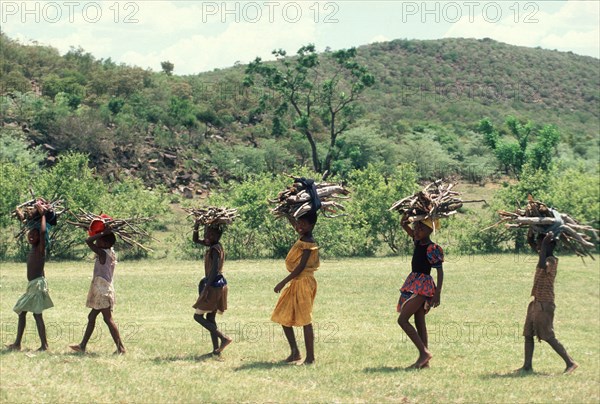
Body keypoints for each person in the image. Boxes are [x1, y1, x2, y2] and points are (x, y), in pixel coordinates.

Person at [516, 231, 578, 374]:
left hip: (545, 304)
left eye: (541, 244)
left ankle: (570, 362)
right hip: (536, 303)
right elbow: (537, 250)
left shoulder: (552, 260)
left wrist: (544, 243)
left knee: (548, 336)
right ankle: (527, 366)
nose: (538, 246)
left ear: (549, 245)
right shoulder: (543, 255)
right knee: (528, 334)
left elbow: (542, 265)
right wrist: (530, 237)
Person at [271, 210, 319, 365]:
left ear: (311, 226)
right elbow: (297, 225)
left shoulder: (309, 241)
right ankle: (295, 352)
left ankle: (310, 357)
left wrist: (283, 282)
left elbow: (300, 267)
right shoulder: (303, 234)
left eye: (303, 224)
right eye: (298, 223)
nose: (299, 226)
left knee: (306, 320)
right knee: (283, 315)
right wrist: (288, 215)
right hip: (297, 282)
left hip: (303, 282)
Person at [397, 212, 444, 369]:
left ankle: (424, 353)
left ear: (430, 230)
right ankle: (425, 362)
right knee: (419, 321)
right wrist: (409, 214)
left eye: (420, 228)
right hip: (414, 283)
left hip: (423, 286)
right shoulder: (418, 243)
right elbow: (404, 224)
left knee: (402, 320)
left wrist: (437, 294)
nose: (416, 231)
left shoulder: (432, 248)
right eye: (415, 228)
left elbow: (440, 272)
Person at [70, 230, 125, 354]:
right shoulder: (110, 252)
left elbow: (88, 241)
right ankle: (82, 345)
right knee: (92, 316)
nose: (96, 241)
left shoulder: (102, 253)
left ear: (105, 243)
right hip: (104, 289)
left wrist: (100, 232)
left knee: (108, 319)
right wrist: (103, 232)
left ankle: (121, 348)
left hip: (102, 291)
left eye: (100, 239)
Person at [7, 203, 53, 351]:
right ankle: (18, 343)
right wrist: (20, 214)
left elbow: (42, 232)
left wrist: (44, 215)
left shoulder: (40, 248)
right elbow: (27, 225)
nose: (31, 237)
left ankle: (43, 345)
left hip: (36, 285)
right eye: (30, 235)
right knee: (25, 312)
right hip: (33, 284)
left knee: (35, 314)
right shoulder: (33, 247)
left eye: (35, 235)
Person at [192, 223, 232, 356]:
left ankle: (224, 338)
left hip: (213, 286)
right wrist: (196, 225)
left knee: (197, 316)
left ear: (218, 236)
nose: (207, 237)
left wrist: (205, 289)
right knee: (210, 318)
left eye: (211, 235)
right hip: (218, 285)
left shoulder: (215, 249)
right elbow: (195, 240)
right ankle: (216, 351)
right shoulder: (214, 245)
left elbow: (214, 270)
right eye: (206, 234)